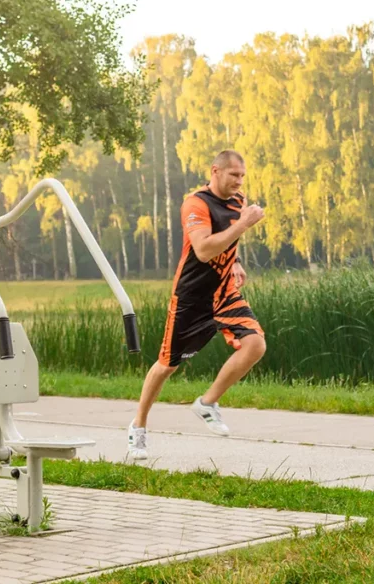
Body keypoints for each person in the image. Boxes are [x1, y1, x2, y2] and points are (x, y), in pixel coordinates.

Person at [127, 150, 266, 460]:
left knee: (255, 345)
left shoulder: (237, 202)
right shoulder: (196, 204)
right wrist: (243, 225)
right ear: (215, 171)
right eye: (233, 175)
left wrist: (236, 261)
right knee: (167, 365)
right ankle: (138, 427)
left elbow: (229, 238)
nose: (239, 181)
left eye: (242, 176)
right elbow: (203, 249)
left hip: (224, 292)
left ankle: (207, 403)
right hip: (192, 297)